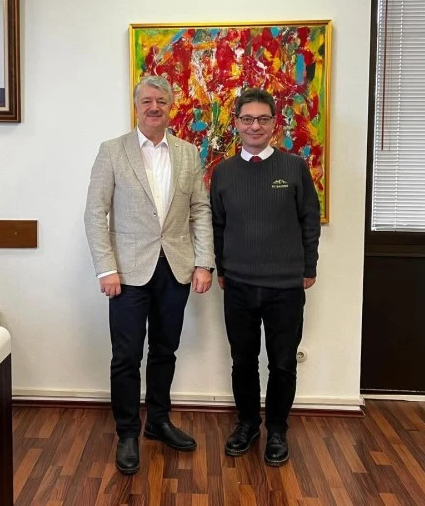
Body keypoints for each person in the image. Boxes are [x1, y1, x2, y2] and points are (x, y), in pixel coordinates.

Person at [84, 75, 215, 475]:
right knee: (126, 356)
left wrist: (204, 262)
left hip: (175, 268)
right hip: (126, 273)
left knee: (164, 350)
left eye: (161, 100)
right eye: (147, 100)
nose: (154, 107)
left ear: (171, 106)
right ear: (136, 106)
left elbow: (200, 210)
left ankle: (158, 421)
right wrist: (107, 268)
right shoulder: (112, 151)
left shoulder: (188, 153)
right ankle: (127, 433)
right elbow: (95, 213)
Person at [210, 88, 321, 467]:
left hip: (285, 287)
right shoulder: (223, 172)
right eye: (247, 119)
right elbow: (217, 225)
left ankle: (276, 430)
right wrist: (222, 269)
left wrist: (309, 267)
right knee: (242, 362)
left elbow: (309, 221)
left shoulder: (294, 168)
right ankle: (247, 425)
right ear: (236, 123)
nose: (254, 126)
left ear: (274, 123)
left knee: (283, 363)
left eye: (262, 119)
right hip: (238, 285)